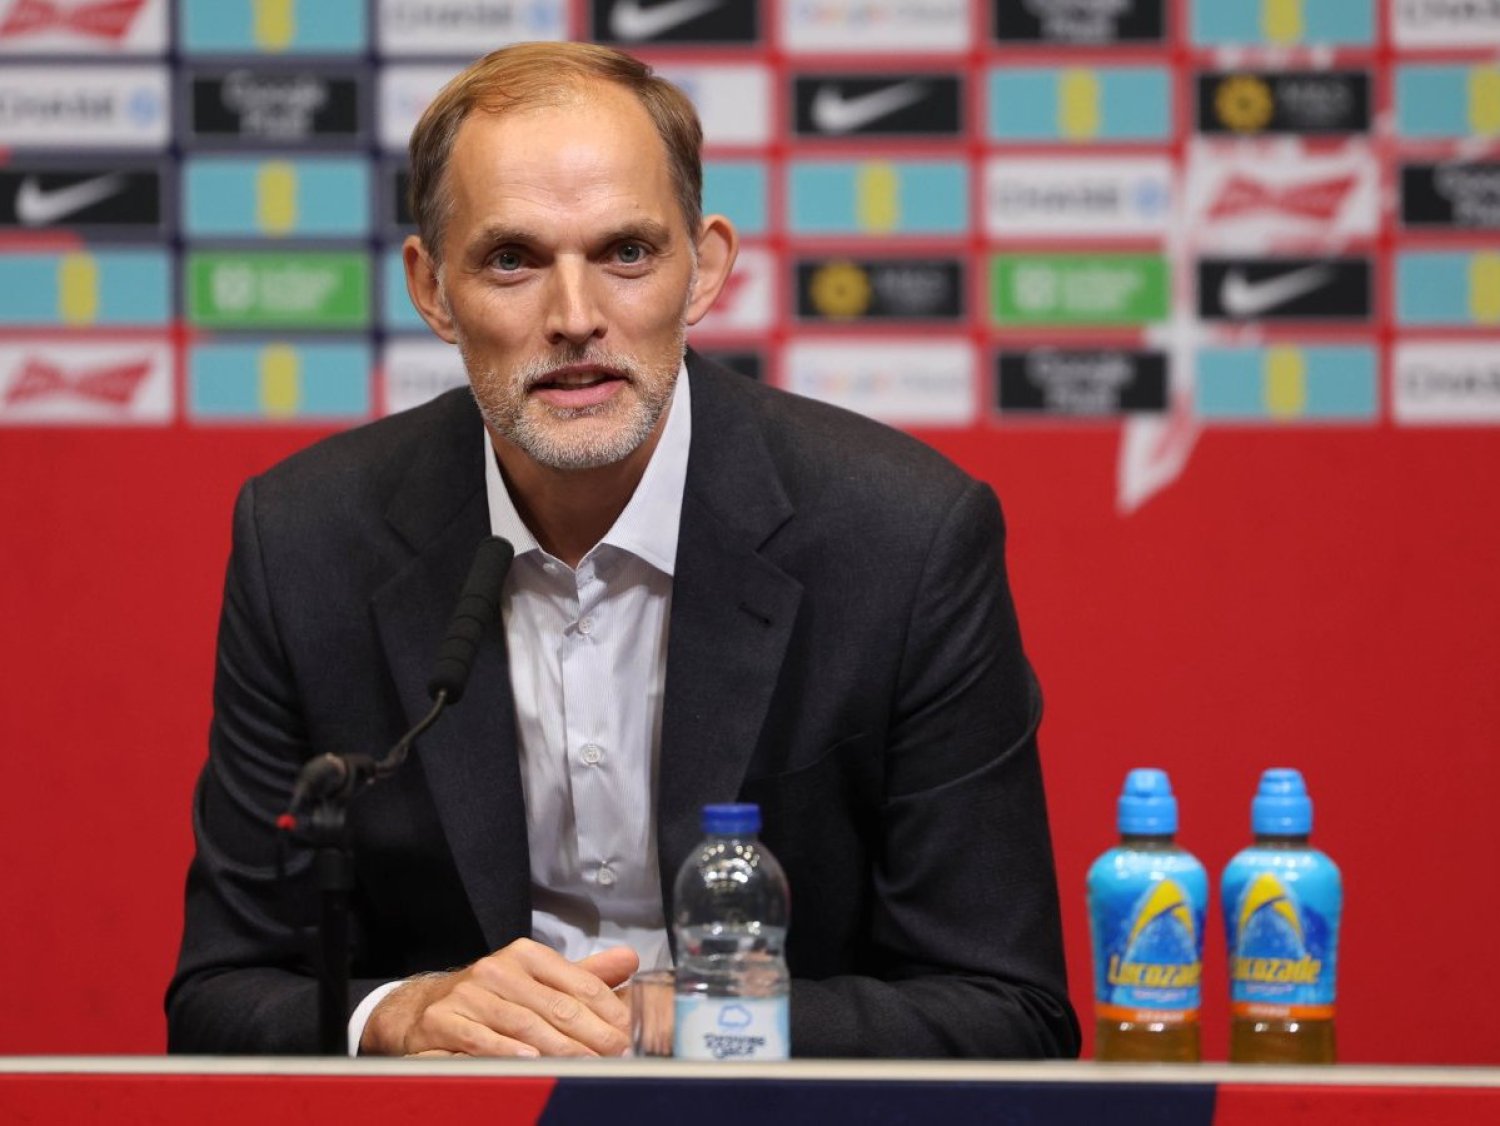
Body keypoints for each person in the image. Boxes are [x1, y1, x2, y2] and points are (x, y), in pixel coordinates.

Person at [166, 41, 1079, 1059]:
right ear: (431, 288)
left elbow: (1009, 1011)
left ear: (706, 269)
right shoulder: (306, 541)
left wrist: (681, 1020)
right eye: (512, 260)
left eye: (628, 253)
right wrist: (401, 1013)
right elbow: (218, 996)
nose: (576, 318)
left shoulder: (904, 538)